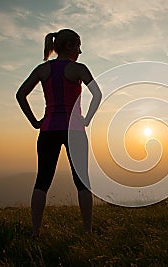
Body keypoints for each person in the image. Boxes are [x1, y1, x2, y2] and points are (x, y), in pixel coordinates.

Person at [16, 29, 102, 236]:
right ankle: (87, 230)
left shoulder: (42, 70)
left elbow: (21, 95)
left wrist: (35, 122)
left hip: (48, 131)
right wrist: (87, 118)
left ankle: (35, 232)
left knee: (42, 180)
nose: (80, 52)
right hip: (75, 131)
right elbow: (97, 94)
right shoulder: (79, 69)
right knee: (82, 181)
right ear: (69, 46)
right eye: (78, 47)